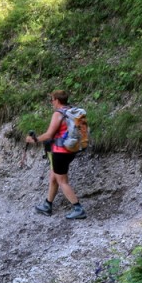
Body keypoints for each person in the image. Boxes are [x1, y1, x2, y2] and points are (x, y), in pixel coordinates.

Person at [25, 90, 87, 220]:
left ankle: (78, 208)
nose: (51, 102)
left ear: (57, 100)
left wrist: (33, 140)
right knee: (53, 176)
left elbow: (49, 135)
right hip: (71, 150)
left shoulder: (58, 114)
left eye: (52, 100)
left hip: (60, 152)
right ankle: (47, 205)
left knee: (62, 181)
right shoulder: (72, 111)